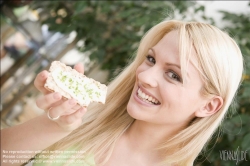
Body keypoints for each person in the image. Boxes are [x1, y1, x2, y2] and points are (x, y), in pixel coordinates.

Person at [1, 20, 243, 166]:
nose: (145, 76)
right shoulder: (84, 119)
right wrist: (55, 126)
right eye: (150, 59)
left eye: (174, 75)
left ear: (209, 106)